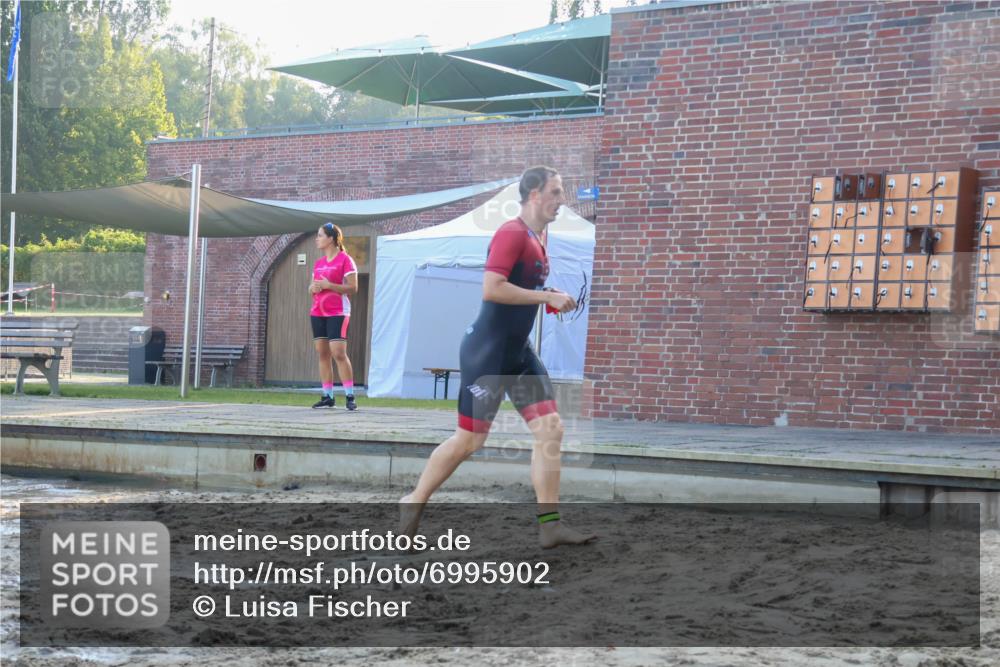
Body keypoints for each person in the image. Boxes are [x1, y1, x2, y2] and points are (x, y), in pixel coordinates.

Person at [400, 167, 597, 549]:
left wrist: (549, 294)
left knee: (551, 430)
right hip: (487, 354)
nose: (562, 200)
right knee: (470, 441)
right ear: (535, 194)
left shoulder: (539, 237)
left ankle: (550, 526)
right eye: (556, 192)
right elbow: (492, 289)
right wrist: (545, 296)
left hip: (518, 353)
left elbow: (520, 286)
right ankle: (415, 500)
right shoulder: (511, 233)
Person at [309, 222, 359, 411]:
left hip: (338, 312)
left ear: (331, 238)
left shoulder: (346, 260)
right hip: (317, 312)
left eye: (320, 235)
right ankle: (327, 396)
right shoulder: (318, 263)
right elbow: (311, 288)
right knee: (323, 353)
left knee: (338, 353)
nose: (317, 239)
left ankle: (350, 396)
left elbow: (353, 288)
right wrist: (312, 288)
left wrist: (329, 285)